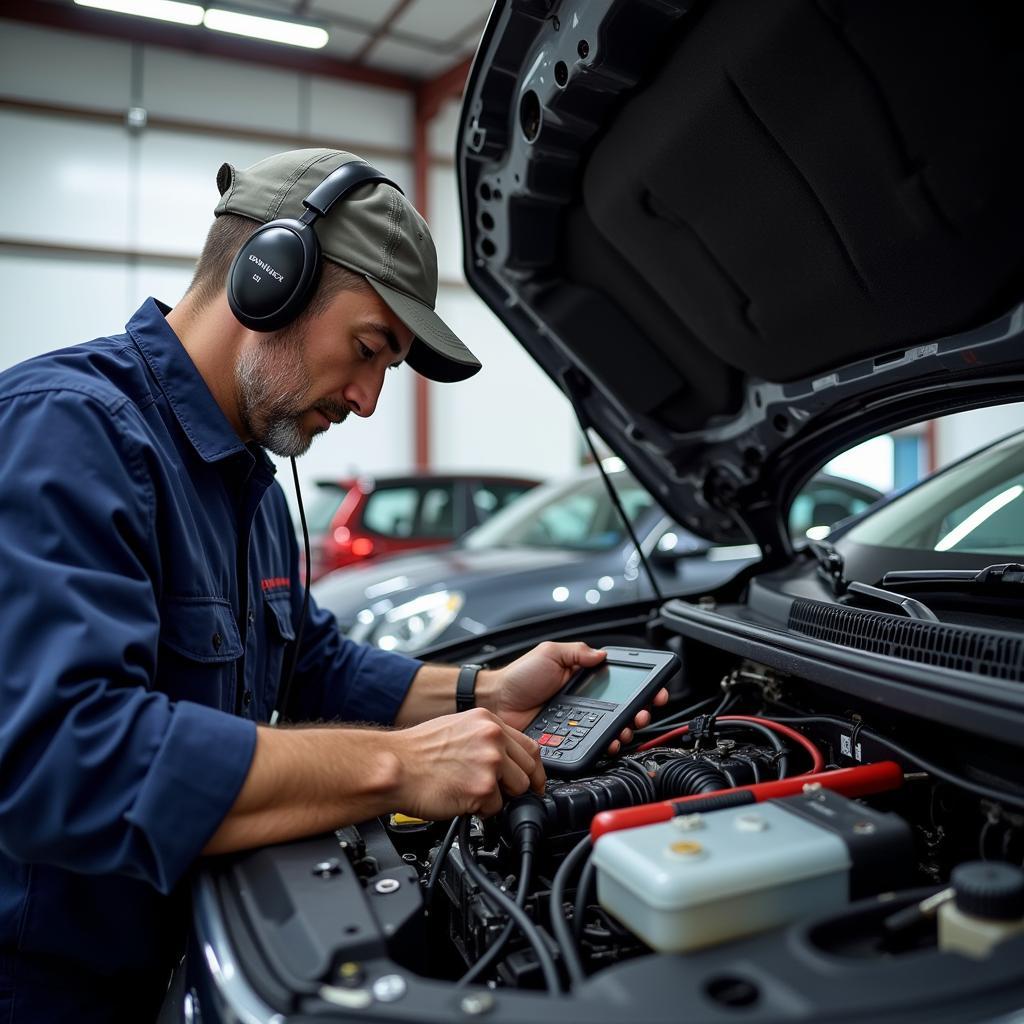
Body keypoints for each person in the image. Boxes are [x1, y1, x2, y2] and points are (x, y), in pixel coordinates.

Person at [0, 149, 666, 1022]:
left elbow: (315, 663)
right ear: (268, 279)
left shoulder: (256, 486)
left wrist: (484, 691)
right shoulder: (67, 431)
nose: (367, 400)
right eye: (369, 349)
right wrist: (397, 766)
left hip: (174, 960)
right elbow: (61, 758)